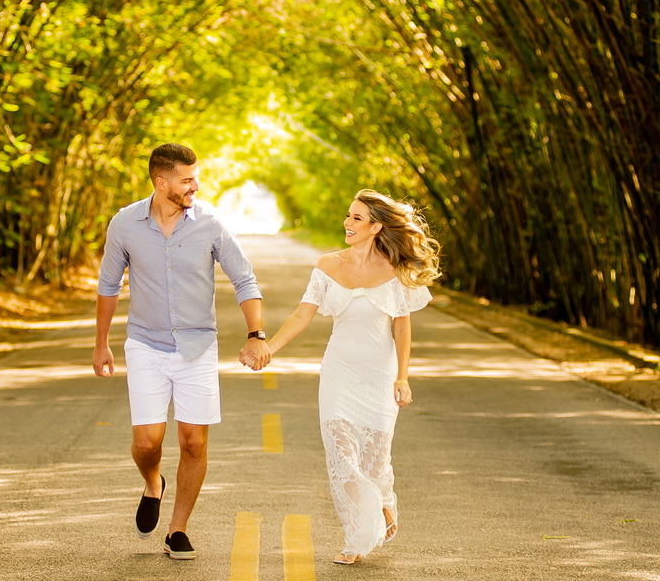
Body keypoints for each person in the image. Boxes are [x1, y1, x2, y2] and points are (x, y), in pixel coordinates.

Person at [93, 143, 270, 561]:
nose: (196, 185)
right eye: (187, 179)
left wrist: (256, 334)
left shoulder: (210, 224)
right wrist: (101, 344)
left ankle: (177, 529)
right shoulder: (125, 224)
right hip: (146, 345)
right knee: (147, 442)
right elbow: (108, 286)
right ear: (161, 182)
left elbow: (244, 280)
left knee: (193, 442)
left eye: (196, 177)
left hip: (197, 347)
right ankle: (153, 482)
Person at [250, 189, 440, 565]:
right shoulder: (327, 266)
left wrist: (403, 378)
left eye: (356, 218)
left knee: (373, 461)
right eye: (348, 216)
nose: (347, 223)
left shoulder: (395, 271)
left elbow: (402, 329)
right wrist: (269, 346)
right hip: (338, 371)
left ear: (376, 226)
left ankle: (382, 502)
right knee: (341, 456)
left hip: (380, 376)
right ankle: (356, 538)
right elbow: (301, 316)